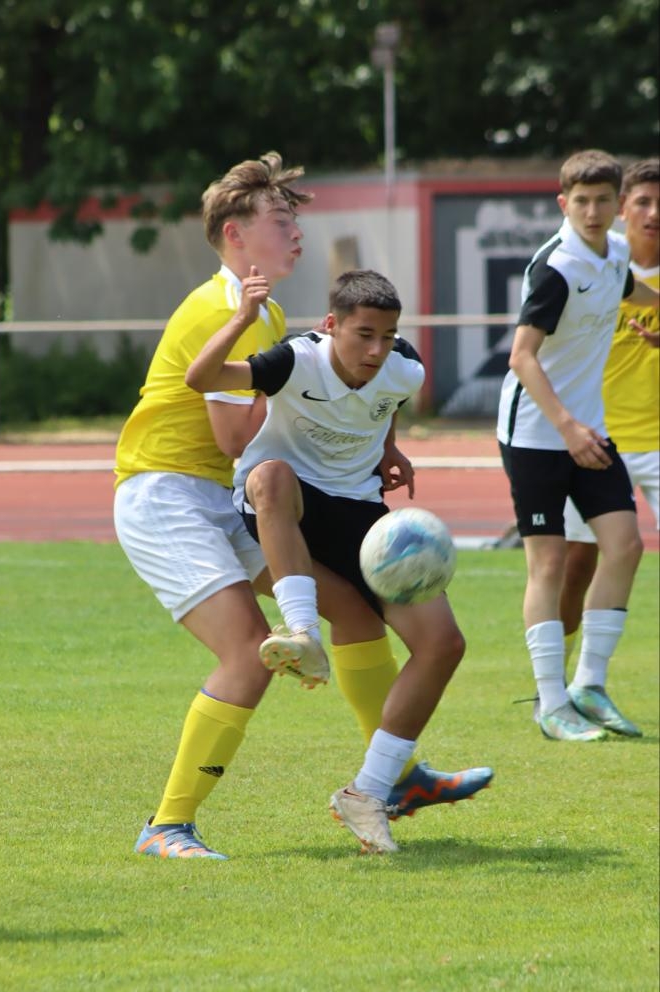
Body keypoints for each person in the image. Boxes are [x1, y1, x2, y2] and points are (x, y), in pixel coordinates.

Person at [114, 153, 492, 860]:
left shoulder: (270, 312)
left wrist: (365, 430)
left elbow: (346, 395)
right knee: (247, 651)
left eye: (295, 221)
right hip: (169, 493)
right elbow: (235, 440)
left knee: (355, 613)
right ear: (235, 234)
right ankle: (166, 825)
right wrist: (321, 411)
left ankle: (395, 778)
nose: (296, 233)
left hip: (223, 493)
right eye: (280, 220)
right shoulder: (225, 310)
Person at [185, 268, 490, 855]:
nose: (376, 349)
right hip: (284, 504)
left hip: (360, 517)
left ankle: (367, 792)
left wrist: (390, 446)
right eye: (363, 334)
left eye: (387, 336)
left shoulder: (405, 368)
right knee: (270, 475)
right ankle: (301, 631)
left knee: (443, 644)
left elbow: (388, 400)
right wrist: (243, 318)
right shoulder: (293, 360)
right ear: (331, 325)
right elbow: (200, 377)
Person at [497, 149, 659, 742]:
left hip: (589, 430)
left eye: (602, 201)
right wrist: (567, 427)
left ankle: (589, 684)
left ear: (617, 205)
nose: (592, 212)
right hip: (537, 434)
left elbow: (633, 289)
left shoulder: (614, 252)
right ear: (564, 204)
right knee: (549, 564)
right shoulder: (557, 267)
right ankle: (550, 703)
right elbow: (522, 357)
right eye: (581, 201)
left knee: (625, 545)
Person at [559, 158, 659, 728]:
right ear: (624, 208)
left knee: (621, 553)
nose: (654, 213)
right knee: (577, 563)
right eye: (643, 201)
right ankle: (558, 687)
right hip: (600, 440)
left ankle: (588, 682)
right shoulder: (596, 266)